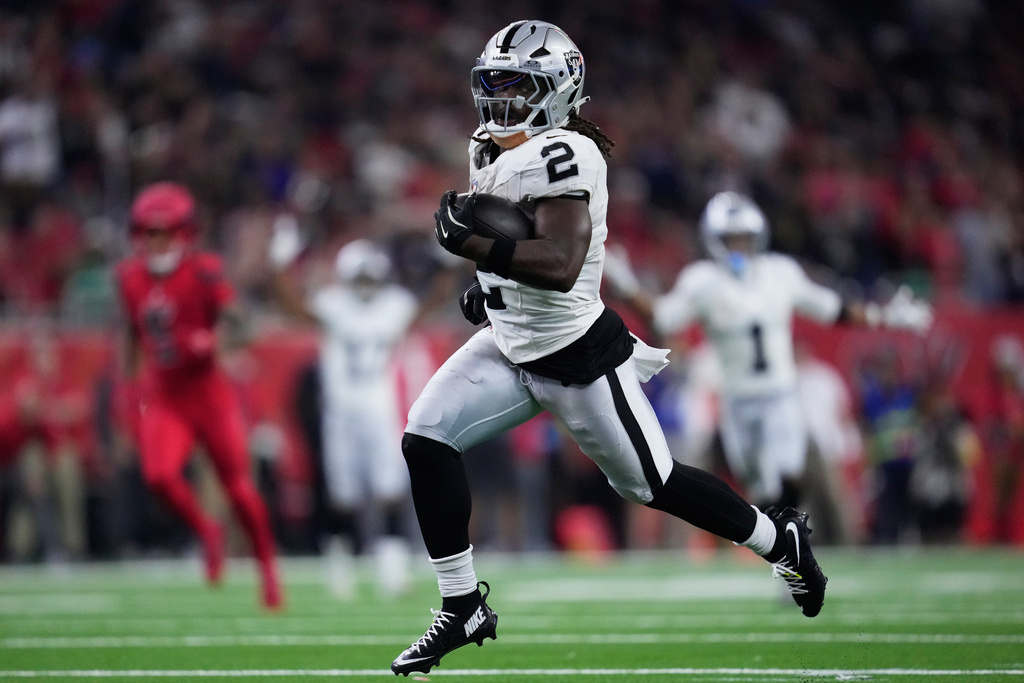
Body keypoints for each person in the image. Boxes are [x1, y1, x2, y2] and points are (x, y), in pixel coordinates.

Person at [391, 20, 827, 677]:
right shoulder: (488, 145)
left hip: (575, 355)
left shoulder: (569, 153)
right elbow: (517, 245)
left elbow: (562, 260)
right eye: (494, 85)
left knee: (653, 483)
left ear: (558, 91)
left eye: (518, 86)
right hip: (512, 344)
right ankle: (462, 606)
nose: (501, 100)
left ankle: (779, 539)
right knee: (425, 436)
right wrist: (489, 291)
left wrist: (478, 248)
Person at [604, 191, 934, 511]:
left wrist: (886, 315)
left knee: (788, 477)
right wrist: (627, 285)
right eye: (730, 239)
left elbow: (834, 310)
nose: (738, 246)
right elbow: (662, 317)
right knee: (762, 492)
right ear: (714, 240)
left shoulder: (780, 273)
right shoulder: (703, 281)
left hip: (780, 396)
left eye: (744, 238)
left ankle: (792, 545)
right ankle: (782, 552)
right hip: (737, 402)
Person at [115, 182, 283, 610]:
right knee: (158, 476)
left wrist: (213, 342)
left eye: (164, 233)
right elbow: (133, 336)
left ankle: (267, 572)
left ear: (183, 233)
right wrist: (129, 392)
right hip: (167, 397)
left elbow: (244, 324)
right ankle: (207, 531)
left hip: (210, 396)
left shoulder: (204, 272)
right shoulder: (129, 278)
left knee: (240, 490)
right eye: (149, 233)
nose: (155, 242)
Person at [268, 223, 456, 598]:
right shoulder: (334, 305)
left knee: (389, 492)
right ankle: (340, 573)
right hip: (340, 415)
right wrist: (278, 267)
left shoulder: (393, 306)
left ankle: (392, 572)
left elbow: (436, 298)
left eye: (372, 276)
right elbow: (291, 306)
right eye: (361, 276)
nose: (367, 283)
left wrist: (447, 260)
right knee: (342, 498)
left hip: (379, 412)